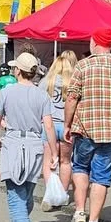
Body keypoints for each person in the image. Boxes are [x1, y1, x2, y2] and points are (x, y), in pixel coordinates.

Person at [64, 29, 111, 222]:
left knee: (80, 167)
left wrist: (67, 124)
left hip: (85, 127)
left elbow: (72, 98)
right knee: (102, 176)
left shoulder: (83, 66)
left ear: (95, 42)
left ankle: (79, 211)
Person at [0, 52, 57, 222]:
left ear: (18, 71)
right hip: (35, 145)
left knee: (15, 197)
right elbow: (48, 126)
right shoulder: (42, 95)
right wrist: (54, 153)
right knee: (26, 194)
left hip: (13, 143)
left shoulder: (5, 92)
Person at [40, 50, 78, 211]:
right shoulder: (73, 82)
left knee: (48, 162)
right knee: (65, 161)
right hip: (66, 125)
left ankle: (50, 194)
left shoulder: (46, 81)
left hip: (49, 124)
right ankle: (63, 194)